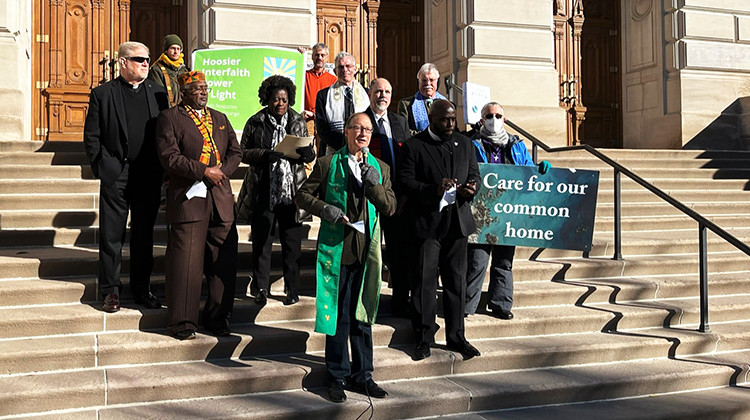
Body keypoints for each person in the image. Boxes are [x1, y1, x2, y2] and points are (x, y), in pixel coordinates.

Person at [295, 112, 396, 403]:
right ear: (347, 132)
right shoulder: (328, 163)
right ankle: (337, 375)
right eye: (357, 128)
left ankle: (363, 375)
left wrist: (374, 184)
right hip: (338, 250)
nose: (363, 133)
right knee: (338, 317)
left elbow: (390, 207)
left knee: (362, 317)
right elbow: (302, 195)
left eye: (367, 129)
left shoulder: (381, 168)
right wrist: (323, 209)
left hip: (367, 252)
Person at [154, 71, 242, 340]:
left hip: (221, 198)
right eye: (197, 88)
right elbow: (170, 157)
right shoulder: (170, 118)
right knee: (186, 263)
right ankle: (182, 323)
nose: (203, 92)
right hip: (189, 199)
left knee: (223, 261)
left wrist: (220, 172)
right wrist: (203, 171)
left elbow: (235, 152)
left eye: (205, 88)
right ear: (184, 92)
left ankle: (218, 318)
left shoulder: (220, 118)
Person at [83, 41, 168, 313]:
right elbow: (92, 137)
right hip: (116, 173)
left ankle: (142, 289)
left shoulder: (158, 92)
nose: (145, 63)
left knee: (144, 236)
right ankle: (110, 291)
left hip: (148, 175)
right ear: (122, 62)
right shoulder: (102, 94)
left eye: (147, 59)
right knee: (111, 236)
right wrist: (102, 167)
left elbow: (166, 133)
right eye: (139, 59)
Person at [399, 99, 481, 361]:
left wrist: (472, 188)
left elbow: (475, 175)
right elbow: (405, 182)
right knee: (424, 282)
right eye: (444, 120)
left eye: (453, 119)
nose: (450, 124)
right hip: (427, 225)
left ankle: (457, 336)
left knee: (456, 281)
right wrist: (433, 190)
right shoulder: (414, 146)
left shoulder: (465, 143)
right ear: (431, 119)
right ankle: (423, 337)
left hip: (457, 224)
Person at [465, 102, 551, 319]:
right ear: (482, 120)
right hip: (480, 213)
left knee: (504, 261)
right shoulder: (471, 143)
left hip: (507, 212)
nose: (494, 119)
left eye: (498, 115)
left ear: (504, 119)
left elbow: (527, 173)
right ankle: (467, 304)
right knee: (477, 261)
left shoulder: (516, 145)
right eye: (489, 115)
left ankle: (500, 303)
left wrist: (539, 170)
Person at [236, 75, 316, 306]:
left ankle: (292, 289)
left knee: (292, 244)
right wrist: (263, 155)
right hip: (264, 189)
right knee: (262, 242)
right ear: (267, 99)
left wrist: (307, 154)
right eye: (275, 99)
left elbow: (308, 150)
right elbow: (242, 152)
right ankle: (260, 287)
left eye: (284, 99)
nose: (280, 104)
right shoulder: (256, 121)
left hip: (292, 191)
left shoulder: (298, 121)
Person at [364, 78, 412, 317]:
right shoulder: (360, 121)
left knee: (399, 254)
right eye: (378, 91)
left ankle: (400, 302)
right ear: (370, 93)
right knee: (369, 254)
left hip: (396, 200)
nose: (382, 95)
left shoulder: (400, 122)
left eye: (387, 92)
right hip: (369, 200)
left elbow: (407, 162)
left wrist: (403, 196)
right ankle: (366, 303)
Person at [315, 52, 369, 155]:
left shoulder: (366, 94)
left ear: (355, 69)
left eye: (348, 66)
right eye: (341, 67)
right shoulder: (323, 95)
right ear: (335, 71)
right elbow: (322, 128)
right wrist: (345, 145)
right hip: (333, 148)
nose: (345, 70)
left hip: (360, 149)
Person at [397, 63, 447, 136]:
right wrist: (427, 137)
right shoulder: (406, 104)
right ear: (419, 82)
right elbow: (404, 131)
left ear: (437, 81)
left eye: (431, 80)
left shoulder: (445, 103)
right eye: (424, 80)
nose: (428, 83)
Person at [303, 43, 337, 133]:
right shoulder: (303, 76)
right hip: (307, 120)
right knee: (306, 146)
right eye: (317, 55)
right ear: (312, 57)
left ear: (327, 57)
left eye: (322, 55)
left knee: (322, 146)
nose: (320, 58)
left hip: (324, 121)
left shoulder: (333, 80)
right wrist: (299, 56)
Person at [147, 34, 190, 108]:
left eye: (178, 49)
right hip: (166, 112)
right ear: (166, 50)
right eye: (173, 48)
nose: (176, 52)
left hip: (183, 112)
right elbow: (158, 95)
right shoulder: (157, 70)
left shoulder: (185, 70)